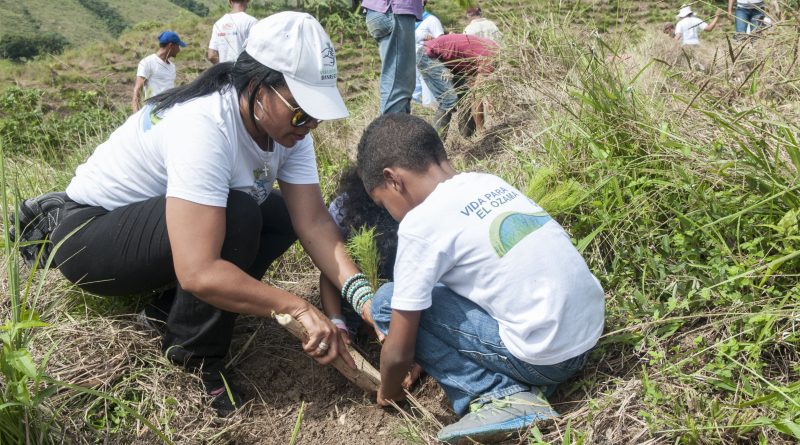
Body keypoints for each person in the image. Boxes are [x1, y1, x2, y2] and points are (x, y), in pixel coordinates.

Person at [44, 12, 374, 416]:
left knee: (278, 214)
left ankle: (168, 309)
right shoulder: (204, 124)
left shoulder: (289, 132)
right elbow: (197, 270)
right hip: (90, 238)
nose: (309, 125)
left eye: (316, 115)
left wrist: (363, 298)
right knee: (240, 213)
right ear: (258, 87)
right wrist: (296, 307)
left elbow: (314, 223)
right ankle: (195, 356)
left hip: (155, 231)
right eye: (301, 111)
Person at [355, 114, 605, 444]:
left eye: (382, 203)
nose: (390, 213)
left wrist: (388, 391)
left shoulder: (421, 224)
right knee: (433, 289)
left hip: (549, 356)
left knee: (388, 300)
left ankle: (498, 395)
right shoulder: (487, 182)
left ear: (393, 180)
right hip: (588, 334)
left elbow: (399, 352)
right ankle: (532, 383)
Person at [421, 33, 498, 136]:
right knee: (449, 100)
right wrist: (482, 132)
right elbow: (477, 98)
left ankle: (468, 136)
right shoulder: (491, 59)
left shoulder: (494, 51)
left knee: (466, 96)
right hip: (429, 55)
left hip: (450, 60)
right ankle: (434, 145)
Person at [362, 0, 423, 114]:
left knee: (400, 85)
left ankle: (400, 128)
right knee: (398, 89)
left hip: (384, 10)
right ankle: (391, 130)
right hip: (394, 10)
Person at [131, 31, 186, 112]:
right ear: (171, 45)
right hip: (154, 110)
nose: (179, 50)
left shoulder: (172, 66)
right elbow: (137, 89)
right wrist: (136, 115)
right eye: (178, 46)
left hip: (170, 109)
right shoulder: (147, 62)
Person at [412, 0, 444, 105]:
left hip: (427, 61)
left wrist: (431, 40)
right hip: (411, 62)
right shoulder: (408, 22)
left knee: (428, 94)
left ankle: (429, 114)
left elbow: (442, 43)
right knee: (413, 93)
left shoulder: (431, 20)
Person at [207, 0, 258, 64]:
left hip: (224, 73)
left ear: (230, 2)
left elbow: (211, 55)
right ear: (247, 1)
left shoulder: (218, 24)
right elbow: (258, 53)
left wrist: (223, 68)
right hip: (244, 72)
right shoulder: (252, 22)